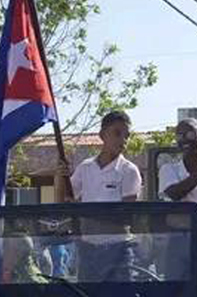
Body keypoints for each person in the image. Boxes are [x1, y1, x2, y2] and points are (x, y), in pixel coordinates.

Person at [55, 110, 142, 282]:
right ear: (102, 135)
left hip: (118, 250)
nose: (123, 140)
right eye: (117, 133)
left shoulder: (129, 170)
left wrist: (85, 213)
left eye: (127, 135)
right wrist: (59, 176)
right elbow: (62, 202)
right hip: (88, 250)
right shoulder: (85, 167)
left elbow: (127, 216)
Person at [159, 118, 197, 226]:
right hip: (184, 237)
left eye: (190, 134)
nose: (184, 140)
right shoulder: (168, 169)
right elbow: (175, 194)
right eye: (179, 136)